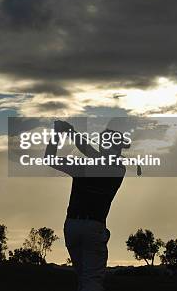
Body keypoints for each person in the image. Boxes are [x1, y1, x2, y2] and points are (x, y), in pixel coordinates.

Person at [45, 120, 130, 291]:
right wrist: (70, 133)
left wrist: (60, 134)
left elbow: (50, 159)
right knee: (91, 281)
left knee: (84, 279)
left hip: (72, 226)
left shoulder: (82, 166)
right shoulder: (118, 169)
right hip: (93, 226)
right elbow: (90, 151)